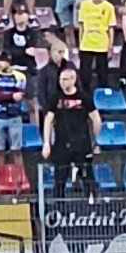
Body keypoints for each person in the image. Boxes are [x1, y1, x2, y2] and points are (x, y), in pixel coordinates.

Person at [43, 64, 98, 196]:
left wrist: (95, 140)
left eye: (65, 79)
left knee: (87, 176)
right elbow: (48, 120)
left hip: (82, 143)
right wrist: (46, 143)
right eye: (61, 79)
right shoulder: (55, 98)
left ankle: (92, 202)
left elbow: (96, 119)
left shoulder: (84, 97)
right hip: (61, 142)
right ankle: (58, 204)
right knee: (60, 178)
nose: (62, 82)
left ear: (73, 79)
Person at [0, 49, 29, 179]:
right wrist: (10, 96)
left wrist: (8, 97)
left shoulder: (20, 77)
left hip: (14, 117)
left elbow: (19, 95)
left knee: (17, 151)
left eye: (1, 61)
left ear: (8, 62)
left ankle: (20, 179)